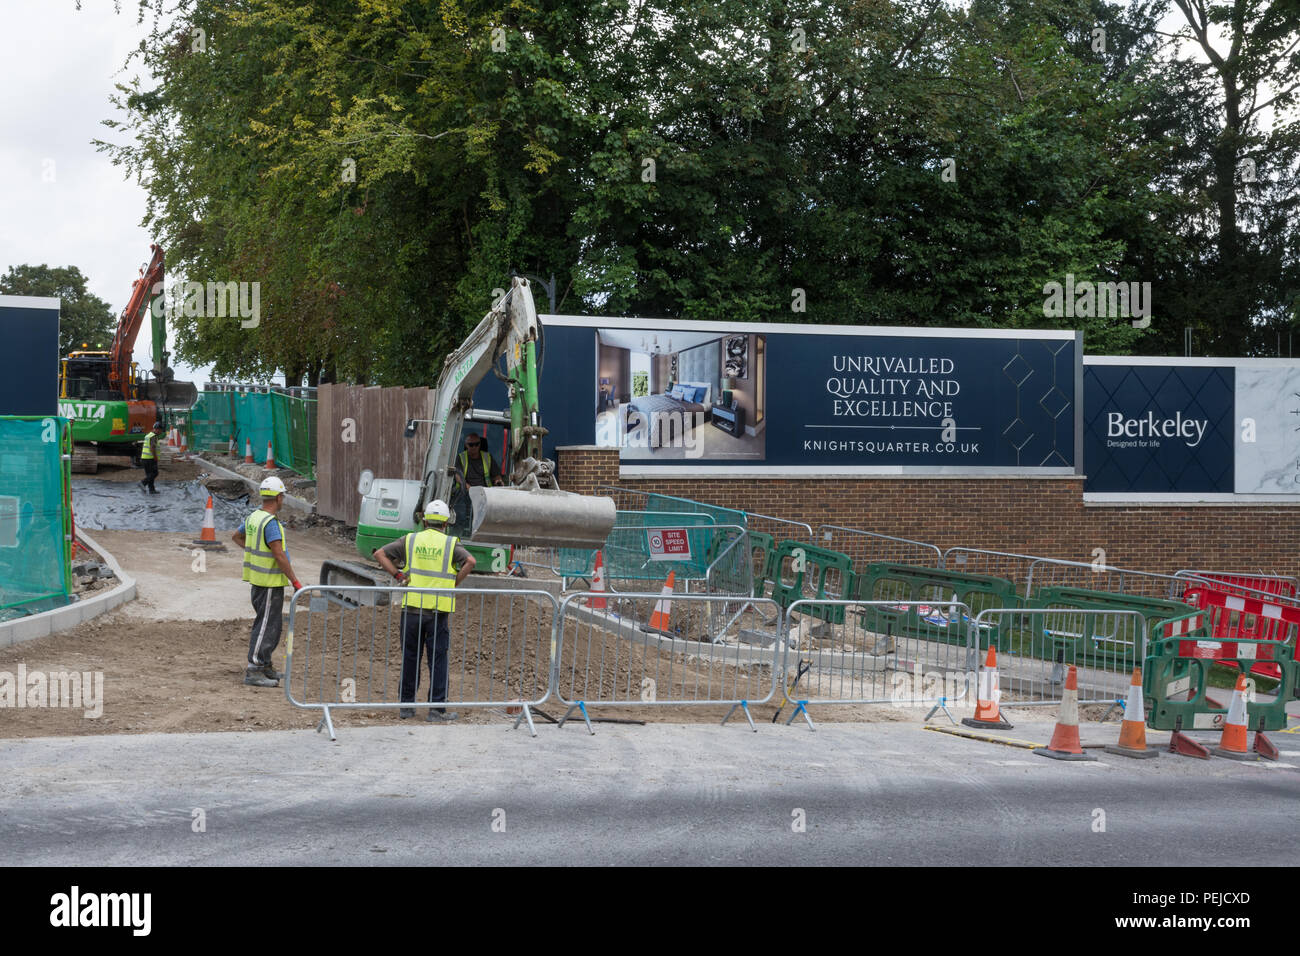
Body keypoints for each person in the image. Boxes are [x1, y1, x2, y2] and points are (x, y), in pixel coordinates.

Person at [373, 499, 475, 721]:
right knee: (438, 661)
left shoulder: (410, 540)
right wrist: (454, 581)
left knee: (411, 658)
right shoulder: (450, 544)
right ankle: (436, 710)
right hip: (437, 612)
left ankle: (406, 708)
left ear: (425, 520)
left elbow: (379, 554)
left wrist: (398, 576)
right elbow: (470, 560)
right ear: (446, 523)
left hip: (412, 610)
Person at [231, 476, 303, 687]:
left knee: (271, 625)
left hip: (258, 582)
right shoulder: (270, 523)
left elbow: (236, 536)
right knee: (265, 626)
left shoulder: (254, 517)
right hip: (269, 583)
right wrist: (295, 581)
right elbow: (279, 555)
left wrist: (253, 552)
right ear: (279, 497)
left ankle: (265, 665)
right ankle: (254, 669)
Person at [138, 420, 165, 494]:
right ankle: (142, 483)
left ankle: (151, 489)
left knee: (149, 474)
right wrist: (155, 457)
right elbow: (152, 448)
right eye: (160, 430)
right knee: (155, 473)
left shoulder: (148, 435)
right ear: (157, 429)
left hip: (144, 458)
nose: (161, 432)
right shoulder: (153, 437)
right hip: (150, 459)